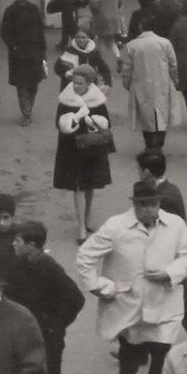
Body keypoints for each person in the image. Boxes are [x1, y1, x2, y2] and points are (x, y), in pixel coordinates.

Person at [77, 180, 187, 374]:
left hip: (164, 306)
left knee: (161, 356)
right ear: (134, 204)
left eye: (152, 204)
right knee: (131, 354)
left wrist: (169, 273)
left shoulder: (175, 225)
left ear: (159, 203)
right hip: (129, 307)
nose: (148, 210)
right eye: (142, 205)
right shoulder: (116, 227)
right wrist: (99, 286)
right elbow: (85, 257)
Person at [4, 220, 86, 374]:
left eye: (17, 241)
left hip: (47, 340)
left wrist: (56, 326)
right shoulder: (15, 265)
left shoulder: (50, 269)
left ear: (32, 245)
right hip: (21, 338)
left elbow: (75, 299)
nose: (13, 244)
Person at [53, 65, 114, 243]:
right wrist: (75, 118)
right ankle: (81, 226)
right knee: (78, 185)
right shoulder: (66, 99)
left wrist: (93, 121)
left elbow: (106, 122)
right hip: (71, 146)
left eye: (80, 83)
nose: (76, 86)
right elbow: (59, 123)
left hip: (92, 146)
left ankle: (87, 217)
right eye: (74, 82)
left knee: (90, 185)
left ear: (89, 83)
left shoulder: (98, 100)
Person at [120, 17, 180, 152]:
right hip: (162, 83)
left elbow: (127, 69)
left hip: (141, 84)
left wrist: (127, 83)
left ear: (141, 27)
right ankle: (159, 142)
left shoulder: (132, 45)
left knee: (145, 115)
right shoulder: (165, 43)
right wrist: (175, 80)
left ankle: (149, 144)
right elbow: (173, 64)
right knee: (161, 114)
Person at [0, 0, 48, 124]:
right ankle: (27, 113)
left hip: (34, 51)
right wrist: (13, 46)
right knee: (22, 84)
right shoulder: (11, 11)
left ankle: (28, 109)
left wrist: (43, 49)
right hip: (19, 52)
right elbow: (5, 32)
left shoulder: (33, 9)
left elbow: (40, 31)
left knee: (33, 83)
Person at [85, 0, 126, 78]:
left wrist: (93, 13)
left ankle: (100, 65)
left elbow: (94, 4)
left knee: (100, 42)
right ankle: (118, 57)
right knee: (111, 41)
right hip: (114, 17)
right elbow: (121, 0)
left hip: (100, 18)